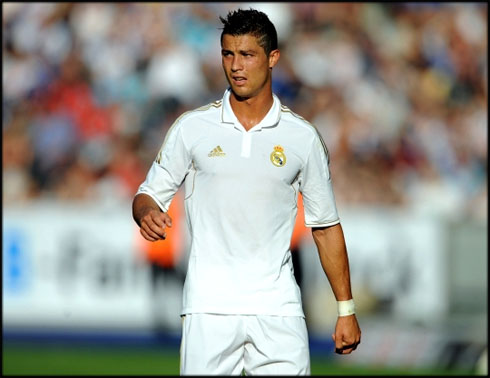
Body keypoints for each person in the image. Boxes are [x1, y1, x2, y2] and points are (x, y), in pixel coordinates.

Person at [132, 8, 361, 375]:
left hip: (278, 309)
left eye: (247, 55)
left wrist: (345, 310)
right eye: (228, 54)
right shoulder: (193, 129)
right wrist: (146, 212)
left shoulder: (302, 138)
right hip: (209, 307)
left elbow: (325, 226)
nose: (236, 66)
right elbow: (148, 194)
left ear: (272, 58)